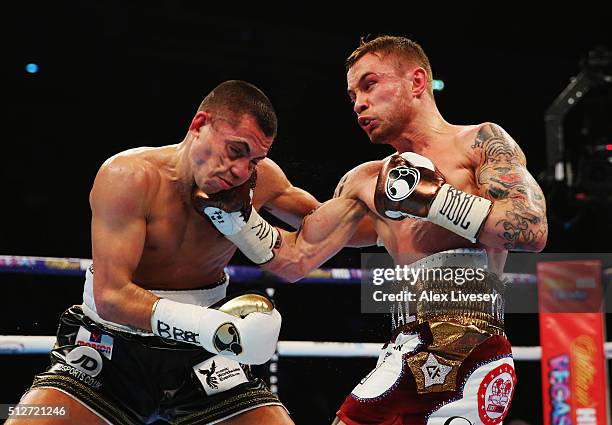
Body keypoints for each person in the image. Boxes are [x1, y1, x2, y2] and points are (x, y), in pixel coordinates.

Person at [199, 36, 548, 425]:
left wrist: (435, 200)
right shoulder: (366, 181)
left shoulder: (480, 142)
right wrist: (235, 218)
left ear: (417, 82)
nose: (359, 103)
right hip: (406, 347)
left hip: (469, 345)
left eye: (369, 85)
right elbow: (296, 259)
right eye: (351, 96)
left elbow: (530, 230)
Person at [9, 80, 329, 425]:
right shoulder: (130, 176)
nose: (241, 170)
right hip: (109, 348)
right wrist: (214, 327)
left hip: (203, 359)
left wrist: (385, 204)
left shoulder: (258, 180)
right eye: (235, 150)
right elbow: (111, 295)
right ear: (199, 125)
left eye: (255, 160)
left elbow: (329, 225)